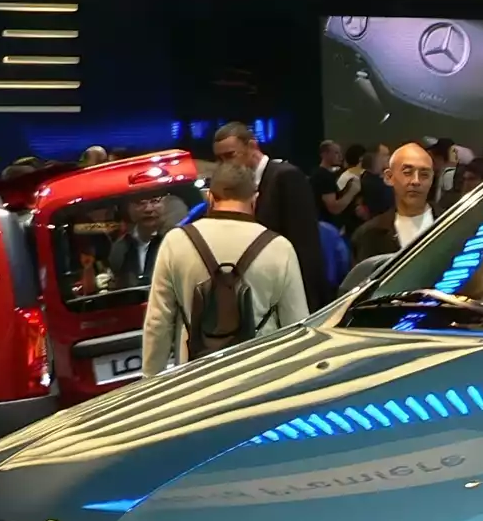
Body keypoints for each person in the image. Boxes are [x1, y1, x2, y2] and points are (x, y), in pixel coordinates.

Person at [141, 159, 307, 374]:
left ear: (210, 197)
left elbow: (158, 322)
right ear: (255, 199)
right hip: (261, 374)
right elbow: (297, 324)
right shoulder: (279, 247)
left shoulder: (176, 242)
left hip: (195, 376)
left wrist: (151, 378)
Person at [211, 120, 328, 307]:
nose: (225, 164)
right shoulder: (242, 186)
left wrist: (307, 303)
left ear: (252, 146)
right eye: (220, 159)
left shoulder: (286, 176)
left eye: (230, 155)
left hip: (291, 294)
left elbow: (305, 246)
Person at [351, 142, 436, 262]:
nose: (416, 181)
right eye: (407, 173)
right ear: (389, 177)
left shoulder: (453, 223)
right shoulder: (369, 235)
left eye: (424, 174)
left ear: (432, 179)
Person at [106, 193, 168, 287]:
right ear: (129, 209)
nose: (148, 209)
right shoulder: (119, 248)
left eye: (155, 201)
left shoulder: (175, 242)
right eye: (140, 203)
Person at [311, 139, 360, 229]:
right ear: (324, 154)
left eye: (340, 153)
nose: (340, 156)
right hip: (327, 228)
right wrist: (352, 191)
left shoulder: (330, 174)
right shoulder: (323, 176)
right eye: (336, 153)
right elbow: (333, 208)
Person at [357, 143, 393, 222]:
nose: (389, 158)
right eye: (385, 155)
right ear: (374, 157)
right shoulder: (366, 182)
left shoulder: (387, 178)